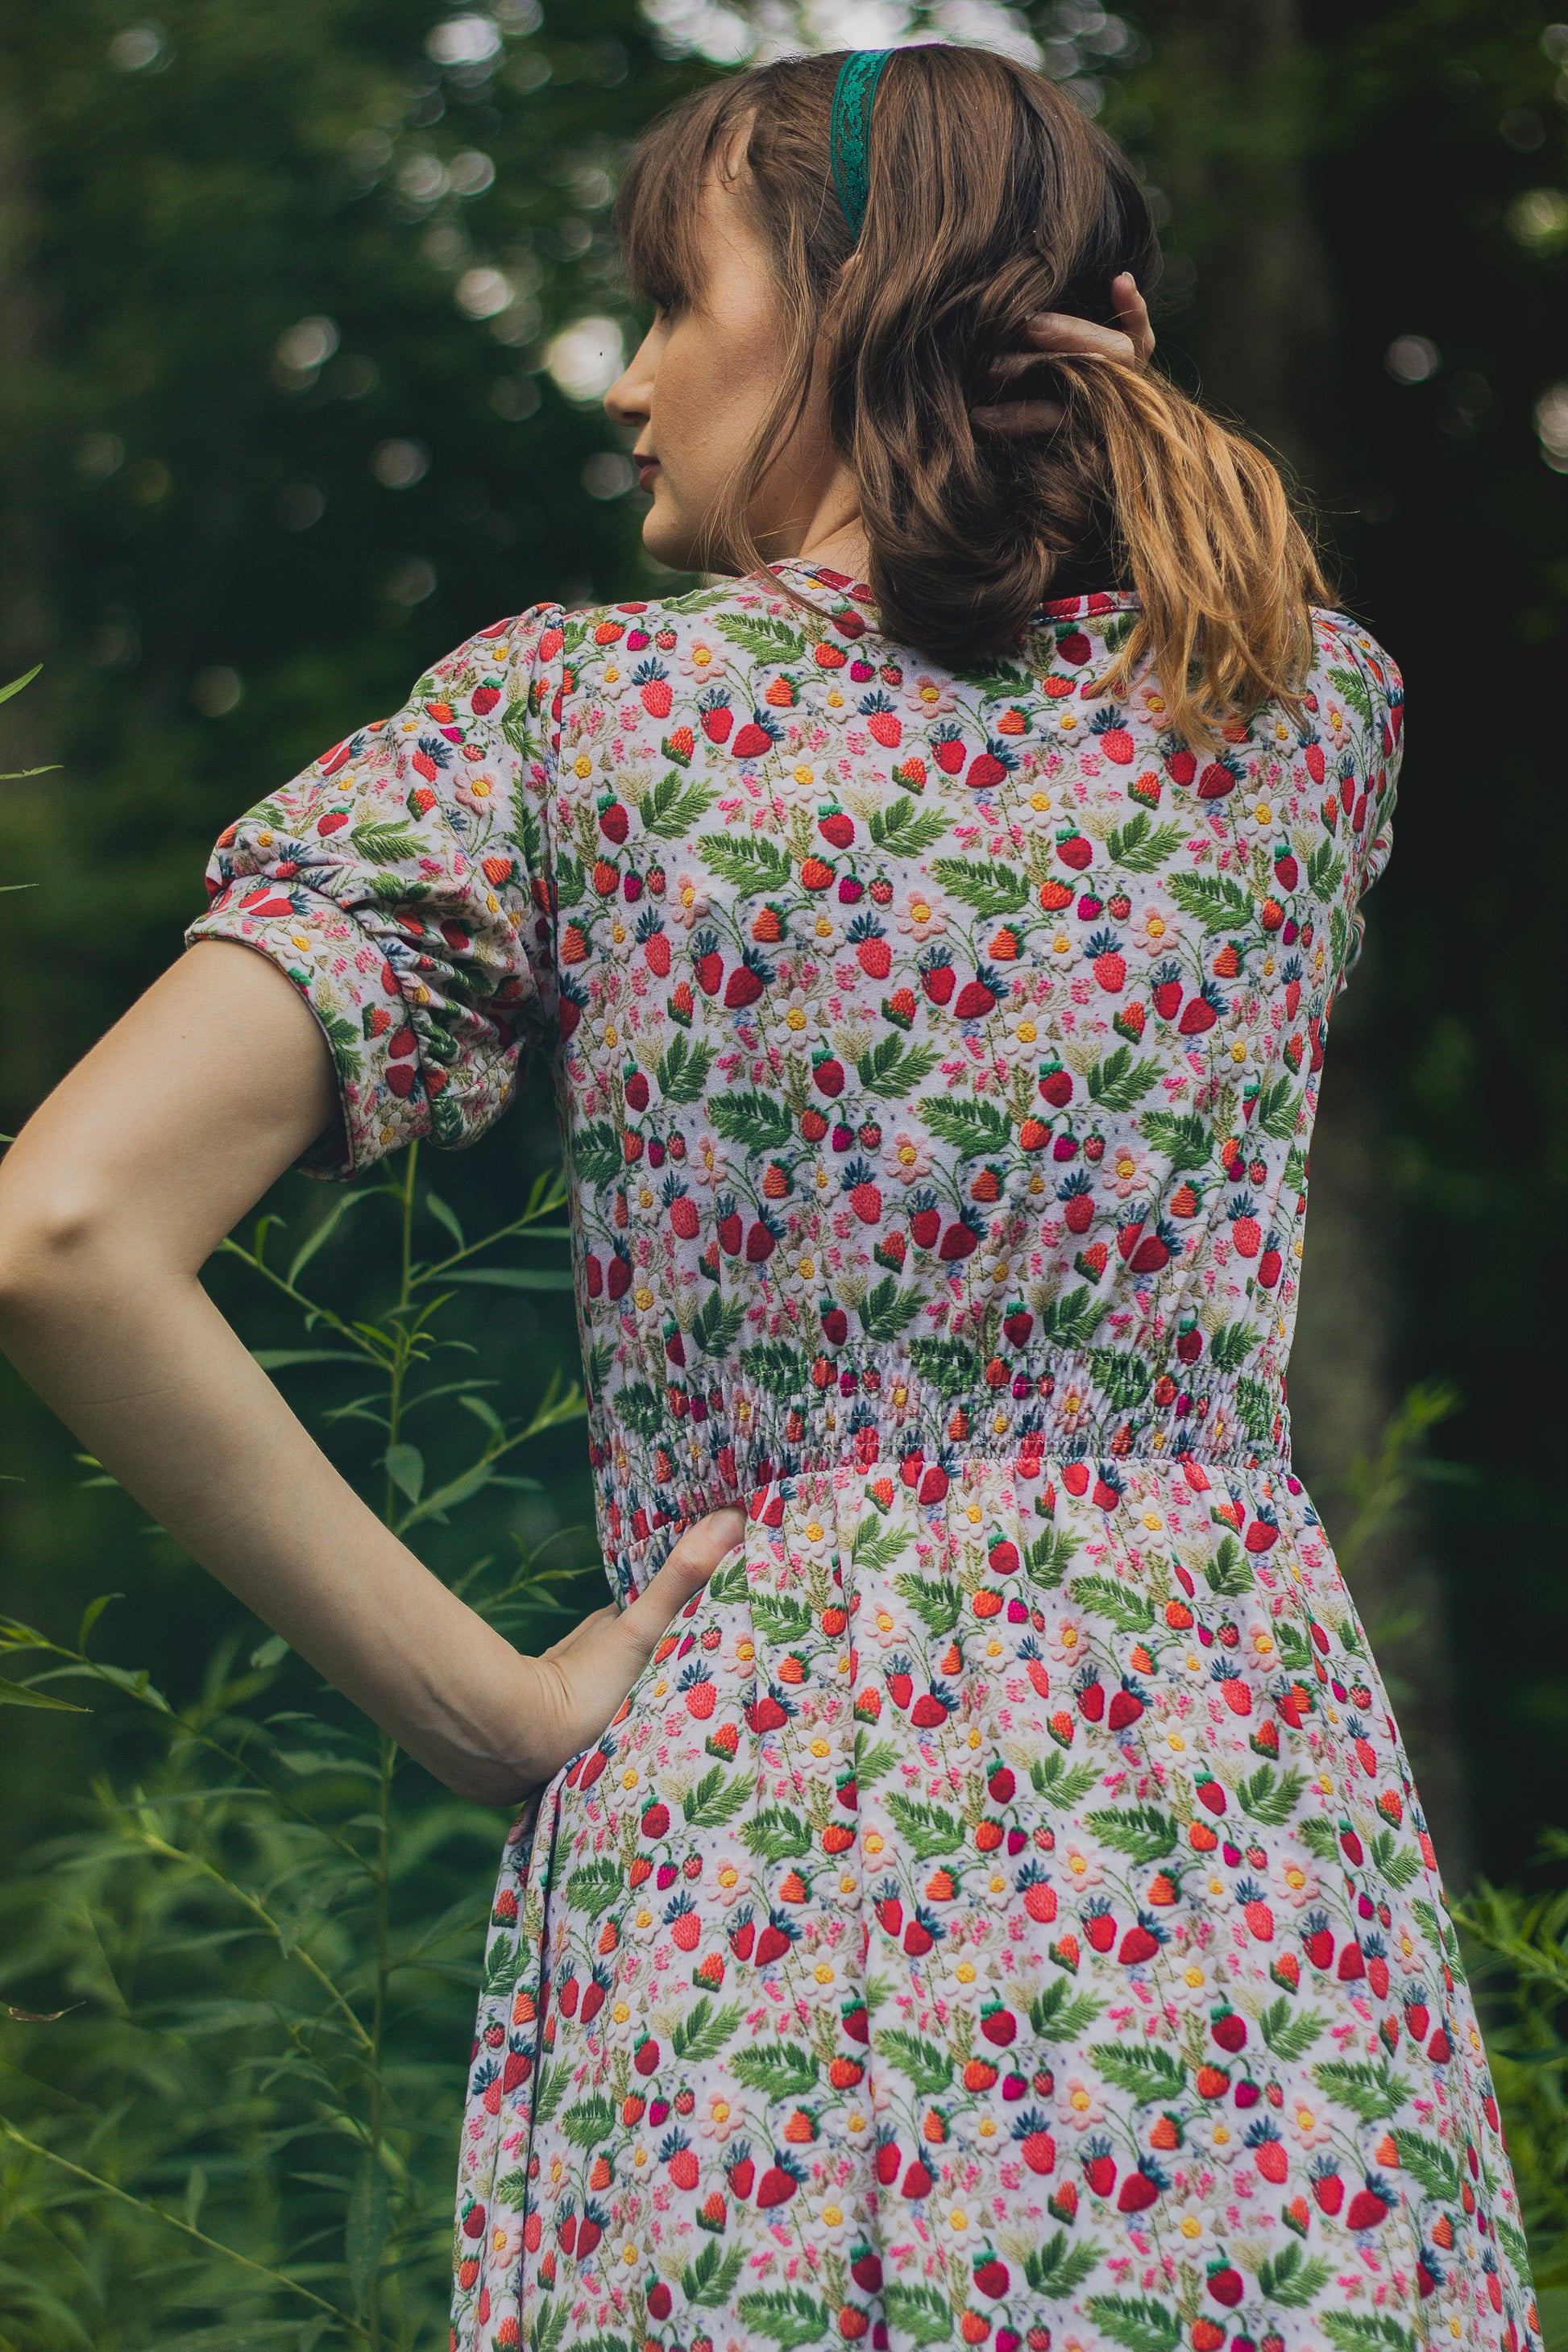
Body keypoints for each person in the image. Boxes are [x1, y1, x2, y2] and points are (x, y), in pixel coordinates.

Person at [0, 40, 1532, 2352]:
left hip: (777, 1929)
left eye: (669, 298)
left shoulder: (570, 731)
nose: (626, 381)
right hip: (1250, 1910)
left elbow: (68, 1229)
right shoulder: (1305, 725)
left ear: (851, 305)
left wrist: (494, 1716)